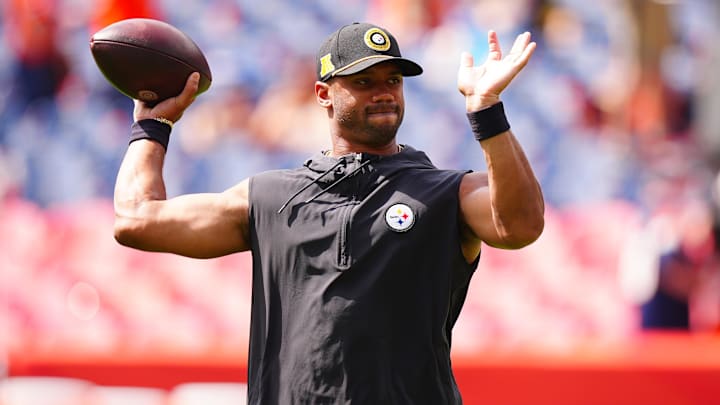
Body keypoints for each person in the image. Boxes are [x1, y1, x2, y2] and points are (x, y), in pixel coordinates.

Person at [113, 22, 544, 404]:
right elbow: (136, 221)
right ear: (324, 94)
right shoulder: (270, 197)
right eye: (363, 80)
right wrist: (152, 126)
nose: (383, 92)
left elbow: (520, 226)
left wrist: (486, 112)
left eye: (393, 79)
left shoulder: (443, 192)